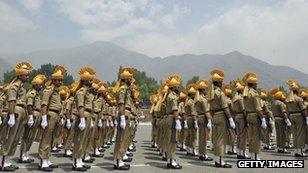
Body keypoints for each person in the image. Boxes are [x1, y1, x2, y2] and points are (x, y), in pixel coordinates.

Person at [0, 62, 32, 171]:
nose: (27, 77)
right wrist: (12, 115)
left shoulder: (21, 86)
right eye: (26, 75)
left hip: (21, 111)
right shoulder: (14, 86)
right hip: (16, 111)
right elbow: (12, 101)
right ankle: (3, 163)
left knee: (15, 138)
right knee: (10, 138)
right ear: (20, 75)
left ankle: (7, 161)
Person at [38, 65, 66, 172]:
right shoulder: (48, 90)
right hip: (50, 115)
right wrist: (44, 118)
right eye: (59, 80)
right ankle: (42, 161)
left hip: (56, 115)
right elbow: (44, 104)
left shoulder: (56, 90)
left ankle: (46, 158)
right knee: (46, 138)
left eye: (61, 80)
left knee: (51, 139)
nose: (60, 82)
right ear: (53, 80)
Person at [207, 69, 235, 168]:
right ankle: (220, 161)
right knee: (221, 139)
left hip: (214, 116)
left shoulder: (211, 93)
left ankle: (216, 159)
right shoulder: (220, 93)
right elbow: (225, 107)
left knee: (216, 138)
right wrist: (230, 119)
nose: (222, 83)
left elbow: (210, 108)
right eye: (221, 81)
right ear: (218, 82)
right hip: (221, 116)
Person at [72, 67, 96, 171]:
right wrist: (82, 119)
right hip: (83, 116)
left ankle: (80, 160)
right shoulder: (81, 92)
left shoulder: (87, 92)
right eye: (90, 80)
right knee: (79, 140)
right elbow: (80, 106)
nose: (91, 82)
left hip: (88, 116)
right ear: (85, 81)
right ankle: (76, 162)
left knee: (84, 140)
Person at [19, 74, 46, 163]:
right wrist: (30, 117)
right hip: (33, 115)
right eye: (40, 85)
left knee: (31, 137)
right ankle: (22, 155)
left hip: (36, 115)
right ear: (35, 85)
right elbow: (29, 105)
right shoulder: (32, 93)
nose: (41, 86)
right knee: (27, 136)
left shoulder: (37, 94)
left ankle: (25, 155)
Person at [113, 67, 135, 170]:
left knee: (124, 138)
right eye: (130, 78)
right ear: (126, 79)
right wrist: (122, 117)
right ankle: (118, 161)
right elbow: (121, 104)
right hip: (124, 114)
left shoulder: (126, 88)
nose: (131, 80)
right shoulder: (122, 89)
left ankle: (119, 159)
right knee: (121, 139)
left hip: (126, 114)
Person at [242, 72, 267, 160]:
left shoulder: (246, 94)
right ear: (252, 84)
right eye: (256, 84)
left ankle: (252, 154)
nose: (257, 86)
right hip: (255, 116)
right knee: (256, 136)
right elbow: (258, 108)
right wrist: (263, 119)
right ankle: (256, 156)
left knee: (251, 136)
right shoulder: (255, 94)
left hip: (249, 116)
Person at [163, 75, 182, 169]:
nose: (179, 88)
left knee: (172, 140)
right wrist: (177, 121)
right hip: (172, 119)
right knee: (172, 140)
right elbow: (175, 110)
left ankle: (171, 159)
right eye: (178, 86)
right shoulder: (173, 96)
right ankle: (171, 161)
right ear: (173, 87)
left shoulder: (170, 95)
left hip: (170, 118)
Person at [285, 80, 307, 157]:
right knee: (300, 134)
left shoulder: (288, 99)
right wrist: (307, 118)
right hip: (299, 116)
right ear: (296, 90)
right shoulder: (298, 99)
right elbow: (303, 110)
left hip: (291, 117)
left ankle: (296, 150)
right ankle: (300, 151)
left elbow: (287, 111)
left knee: (295, 134)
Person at [195, 80, 213, 161]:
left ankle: (201, 154)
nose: (206, 90)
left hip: (199, 117)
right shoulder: (203, 99)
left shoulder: (198, 99)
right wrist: (209, 120)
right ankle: (204, 154)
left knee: (201, 138)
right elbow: (206, 111)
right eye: (205, 89)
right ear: (202, 90)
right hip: (203, 118)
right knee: (204, 138)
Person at [231, 80, 250, 159]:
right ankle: (242, 152)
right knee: (243, 136)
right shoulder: (241, 98)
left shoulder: (235, 98)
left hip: (236, 116)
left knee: (239, 135)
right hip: (242, 116)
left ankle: (239, 151)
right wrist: (247, 119)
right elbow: (243, 109)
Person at [270, 88, 291, 153]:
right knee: (283, 134)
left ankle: (279, 147)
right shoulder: (281, 103)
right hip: (281, 119)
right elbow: (283, 112)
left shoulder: (273, 103)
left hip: (276, 119)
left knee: (278, 134)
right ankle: (283, 148)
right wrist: (287, 120)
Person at [184, 84, 198, 156]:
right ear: (192, 95)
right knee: (193, 135)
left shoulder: (187, 101)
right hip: (192, 119)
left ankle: (188, 149)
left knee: (189, 135)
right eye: (194, 94)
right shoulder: (191, 102)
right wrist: (195, 122)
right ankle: (193, 149)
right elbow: (193, 113)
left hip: (188, 119)